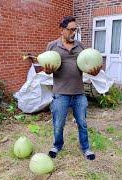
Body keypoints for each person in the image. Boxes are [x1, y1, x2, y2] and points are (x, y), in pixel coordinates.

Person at [43, 16, 102, 160]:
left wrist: (94, 72)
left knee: (82, 123)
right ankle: (57, 146)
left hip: (79, 93)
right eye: (71, 29)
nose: (73, 32)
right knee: (58, 124)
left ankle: (86, 148)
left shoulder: (80, 47)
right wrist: (47, 71)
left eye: (75, 29)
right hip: (60, 94)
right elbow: (47, 67)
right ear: (62, 30)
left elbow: (86, 65)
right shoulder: (52, 46)